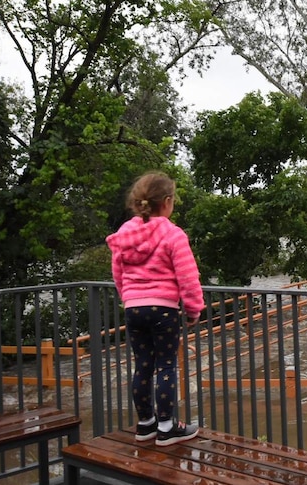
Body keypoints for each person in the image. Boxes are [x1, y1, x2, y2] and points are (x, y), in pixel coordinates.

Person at [106, 171, 205, 446]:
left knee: (143, 366)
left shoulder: (125, 234)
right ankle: (167, 427)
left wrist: (129, 297)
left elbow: (118, 273)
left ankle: (146, 424)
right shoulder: (173, 234)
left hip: (133, 308)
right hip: (163, 310)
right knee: (166, 366)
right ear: (168, 201)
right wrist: (194, 309)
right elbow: (187, 276)